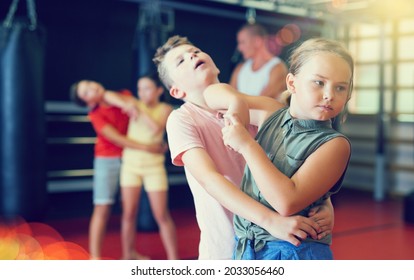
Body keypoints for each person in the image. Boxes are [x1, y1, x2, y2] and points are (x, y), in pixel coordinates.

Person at [152, 35, 335, 260]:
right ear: (177, 91)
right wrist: (270, 220)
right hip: (226, 247)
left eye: (196, 51)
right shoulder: (182, 119)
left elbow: (296, 160)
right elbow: (210, 179)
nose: (192, 55)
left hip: (273, 244)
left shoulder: (255, 109)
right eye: (180, 61)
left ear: (216, 65)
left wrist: (324, 204)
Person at [204, 37, 353, 260]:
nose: (329, 95)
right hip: (248, 245)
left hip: (294, 250)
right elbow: (210, 95)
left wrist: (246, 144)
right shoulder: (270, 112)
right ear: (292, 83)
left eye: (340, 87)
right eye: (319, 82)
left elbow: (286, 201)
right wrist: (237, 104)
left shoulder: (335, 144)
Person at [70, 80, 165, 260]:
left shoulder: (123, 94)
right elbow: (119, 139)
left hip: (130, 158)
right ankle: (95, 258)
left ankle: (130, 254)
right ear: (89, 103)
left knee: (129, 210)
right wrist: (149, 148)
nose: (92, 88)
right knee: (102, 206)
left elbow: (121, 100)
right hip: (108, 160)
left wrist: (124, 104)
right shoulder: (96, 115)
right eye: (86, 92)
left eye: (89, 84)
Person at [119, 73, 178, 260]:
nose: (142, 93)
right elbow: (109, 96)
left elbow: (156, 128)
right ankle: (128, 256)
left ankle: (174, 260)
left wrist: (138, 107)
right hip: (130, 166)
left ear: (159, 90)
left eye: (147, 88)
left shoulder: (165, 108)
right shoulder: (132, 103)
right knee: (128, 214)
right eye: (139, 89)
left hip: (154, 167)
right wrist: (132, 104)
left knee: (161, 215)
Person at [229, 23, 288, 100]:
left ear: (257, 41)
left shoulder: (278, 68)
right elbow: (229, 96)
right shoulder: (240, 68)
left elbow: (263, 100)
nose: (239, 48)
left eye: (242, 42)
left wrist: (237, 102)